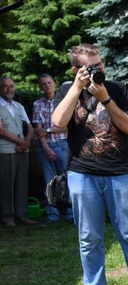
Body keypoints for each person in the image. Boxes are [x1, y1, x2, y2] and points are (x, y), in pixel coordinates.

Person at [52, 43, 128, 285]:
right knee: (89, 236)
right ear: (76, 70)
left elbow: (127, 126)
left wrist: (105, 98)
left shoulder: (116, 88)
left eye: (100, 65)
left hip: (120, 172)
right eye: (91, 67)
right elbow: (57, 122)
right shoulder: (68, 90)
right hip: (82, 172)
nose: (98, 70)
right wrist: (77, 88)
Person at [33, 73, 72, 223]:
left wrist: (49, 131)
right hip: (45, 148)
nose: (47, 86)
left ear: (54, 84)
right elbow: (38, 129)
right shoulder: (37, 104)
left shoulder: (63, 102)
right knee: (49, 182)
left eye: (49, 83)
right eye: (43, 84)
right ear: (40, 87)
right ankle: (52, 215)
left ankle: (71, 214)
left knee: (68, 179)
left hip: (63, 145)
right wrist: (45, 147)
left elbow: (67, 127)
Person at [0, 75, 36, 228]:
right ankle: (7, 217)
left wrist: (26, 141)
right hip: (6, 150)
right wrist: (22, 142)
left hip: (22, 150)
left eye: (12, 86)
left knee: (22, 184)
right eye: (6, 86)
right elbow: (1, 131)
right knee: (6, 184)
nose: (10, 89)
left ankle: (22, 216)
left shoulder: (19, 106)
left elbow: (30, 127)